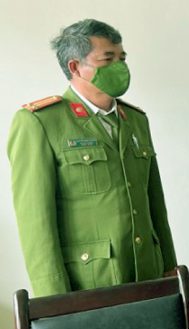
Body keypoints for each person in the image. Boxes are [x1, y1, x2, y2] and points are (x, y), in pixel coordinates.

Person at [7, 19, 176, 297]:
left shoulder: (135, 120)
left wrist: (168, 268)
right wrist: (54, 299)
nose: (120, 66)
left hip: (148, 274)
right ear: (75, 67)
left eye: (122, 58)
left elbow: (154, 202)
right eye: (107, 59)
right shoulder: (41, 122)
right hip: (89, 282)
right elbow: (36, 222)